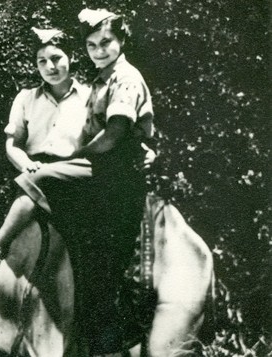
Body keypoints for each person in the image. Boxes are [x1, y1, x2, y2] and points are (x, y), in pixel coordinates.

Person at [0, 27, 93, 278]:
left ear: (70, 58)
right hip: (31, 173)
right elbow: (13, 145)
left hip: (72, 176)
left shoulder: (90, 98)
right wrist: (24, 163)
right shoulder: (26, 99)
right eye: (42, 61)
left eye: (57, 58)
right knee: (35, 180)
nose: (50, 66)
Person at [72, 8, 156, 353]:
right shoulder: (100, 79)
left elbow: (116, 132)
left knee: (106, 268)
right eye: (92, 45)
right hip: (103, 171)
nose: (99, 50)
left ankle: (118, 343)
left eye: (106, 42)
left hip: (119, 173)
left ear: (122, 41)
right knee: (88, 262)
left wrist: (75, 157)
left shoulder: (126, 77)